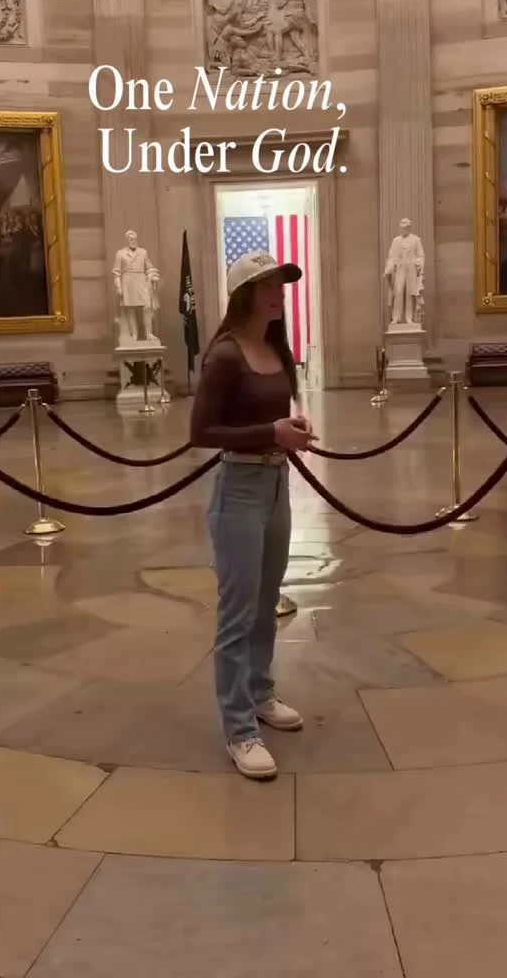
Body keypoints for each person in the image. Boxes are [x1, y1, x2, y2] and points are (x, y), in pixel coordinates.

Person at [190, 250, 317, 781]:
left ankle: (260, 693)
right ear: (245, 294)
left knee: (267, 600)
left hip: (276, 485)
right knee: (238, 611)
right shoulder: (224, 354)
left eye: (280, 285)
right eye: (268, 286)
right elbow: (201, 432)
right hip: (239, 489)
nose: (278, 294)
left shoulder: (275, 347)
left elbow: (271, 416)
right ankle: (239, 727)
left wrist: (291, 429)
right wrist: (271, 433)